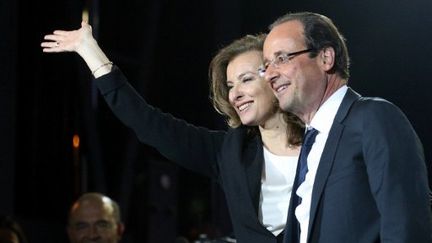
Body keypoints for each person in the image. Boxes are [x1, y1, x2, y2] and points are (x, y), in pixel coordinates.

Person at [41, 22, 304, 242]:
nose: (235, 93)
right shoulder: (228, 153)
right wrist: (90, 51)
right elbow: (149, 123)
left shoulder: (325, 142)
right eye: (230, 85)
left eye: (246, 79)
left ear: (275, 79)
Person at [261, 11, 432, 243]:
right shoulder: (311, 142)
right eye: (266, 65)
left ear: (325, 58)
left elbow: (406, 224)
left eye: (281, 58)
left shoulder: (374, 118)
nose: (270, 74)